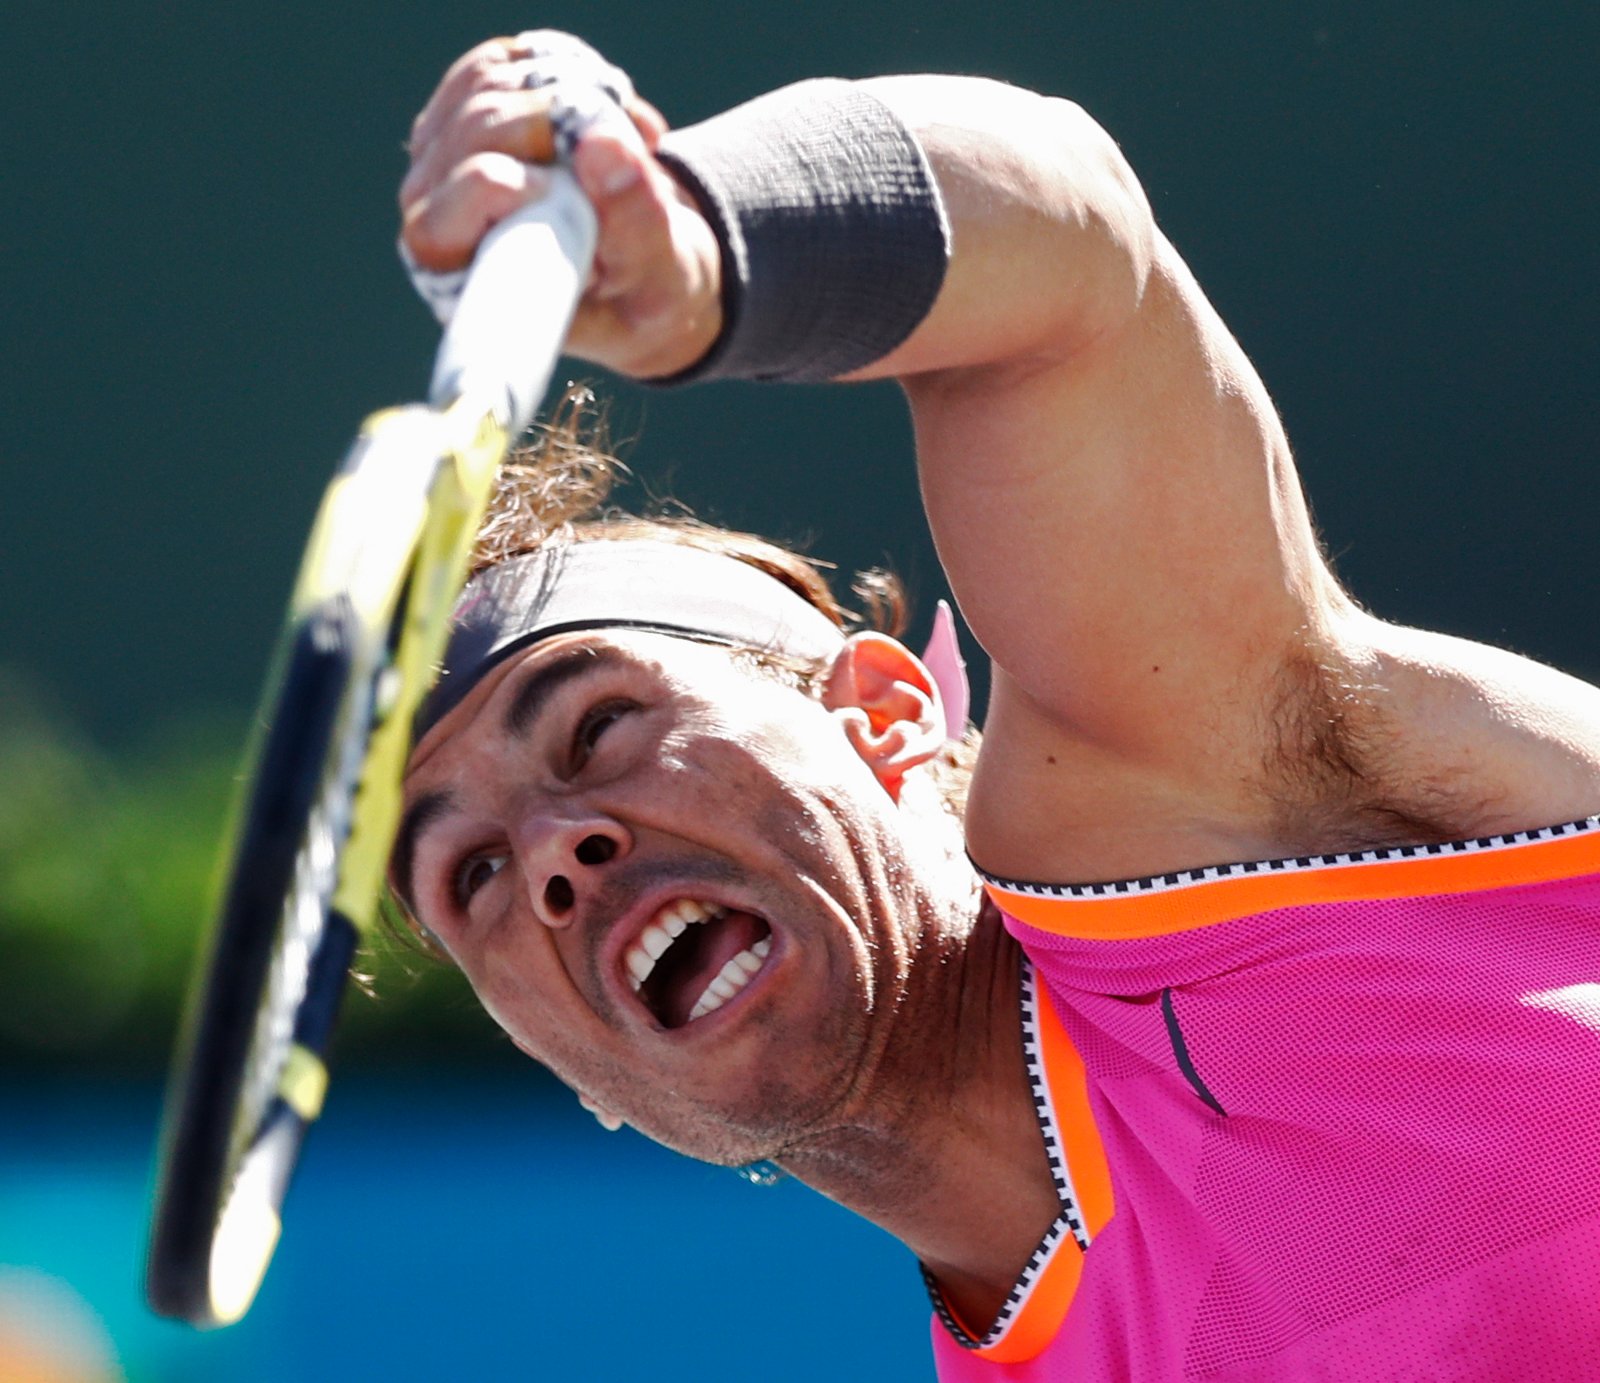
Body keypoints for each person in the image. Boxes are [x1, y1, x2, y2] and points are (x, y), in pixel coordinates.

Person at [393, 31, 1600, 1380]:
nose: (556, 852)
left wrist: (690, 248)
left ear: (887, 715)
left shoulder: (1185, 830)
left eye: (600, 726)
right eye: (473, 873)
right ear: (565, 1068)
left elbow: (1067, 259)